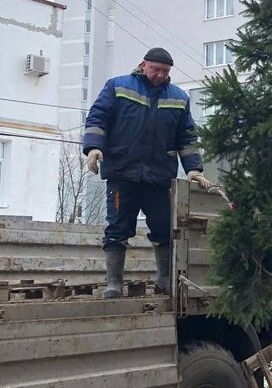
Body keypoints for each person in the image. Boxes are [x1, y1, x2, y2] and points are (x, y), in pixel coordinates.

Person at [83, 47, 212, 298]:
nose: (160, 75)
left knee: (164, 229)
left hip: (157, 177)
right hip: (122, 173)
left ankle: (164, 280)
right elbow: (98, 118)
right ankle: (114, 284)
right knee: (118, 228)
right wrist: (93, 148)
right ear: (143, 65)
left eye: (165, 71)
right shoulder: (118, 87)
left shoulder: (178, 98)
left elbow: (186, 137)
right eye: (156, 69)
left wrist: (194, 169)